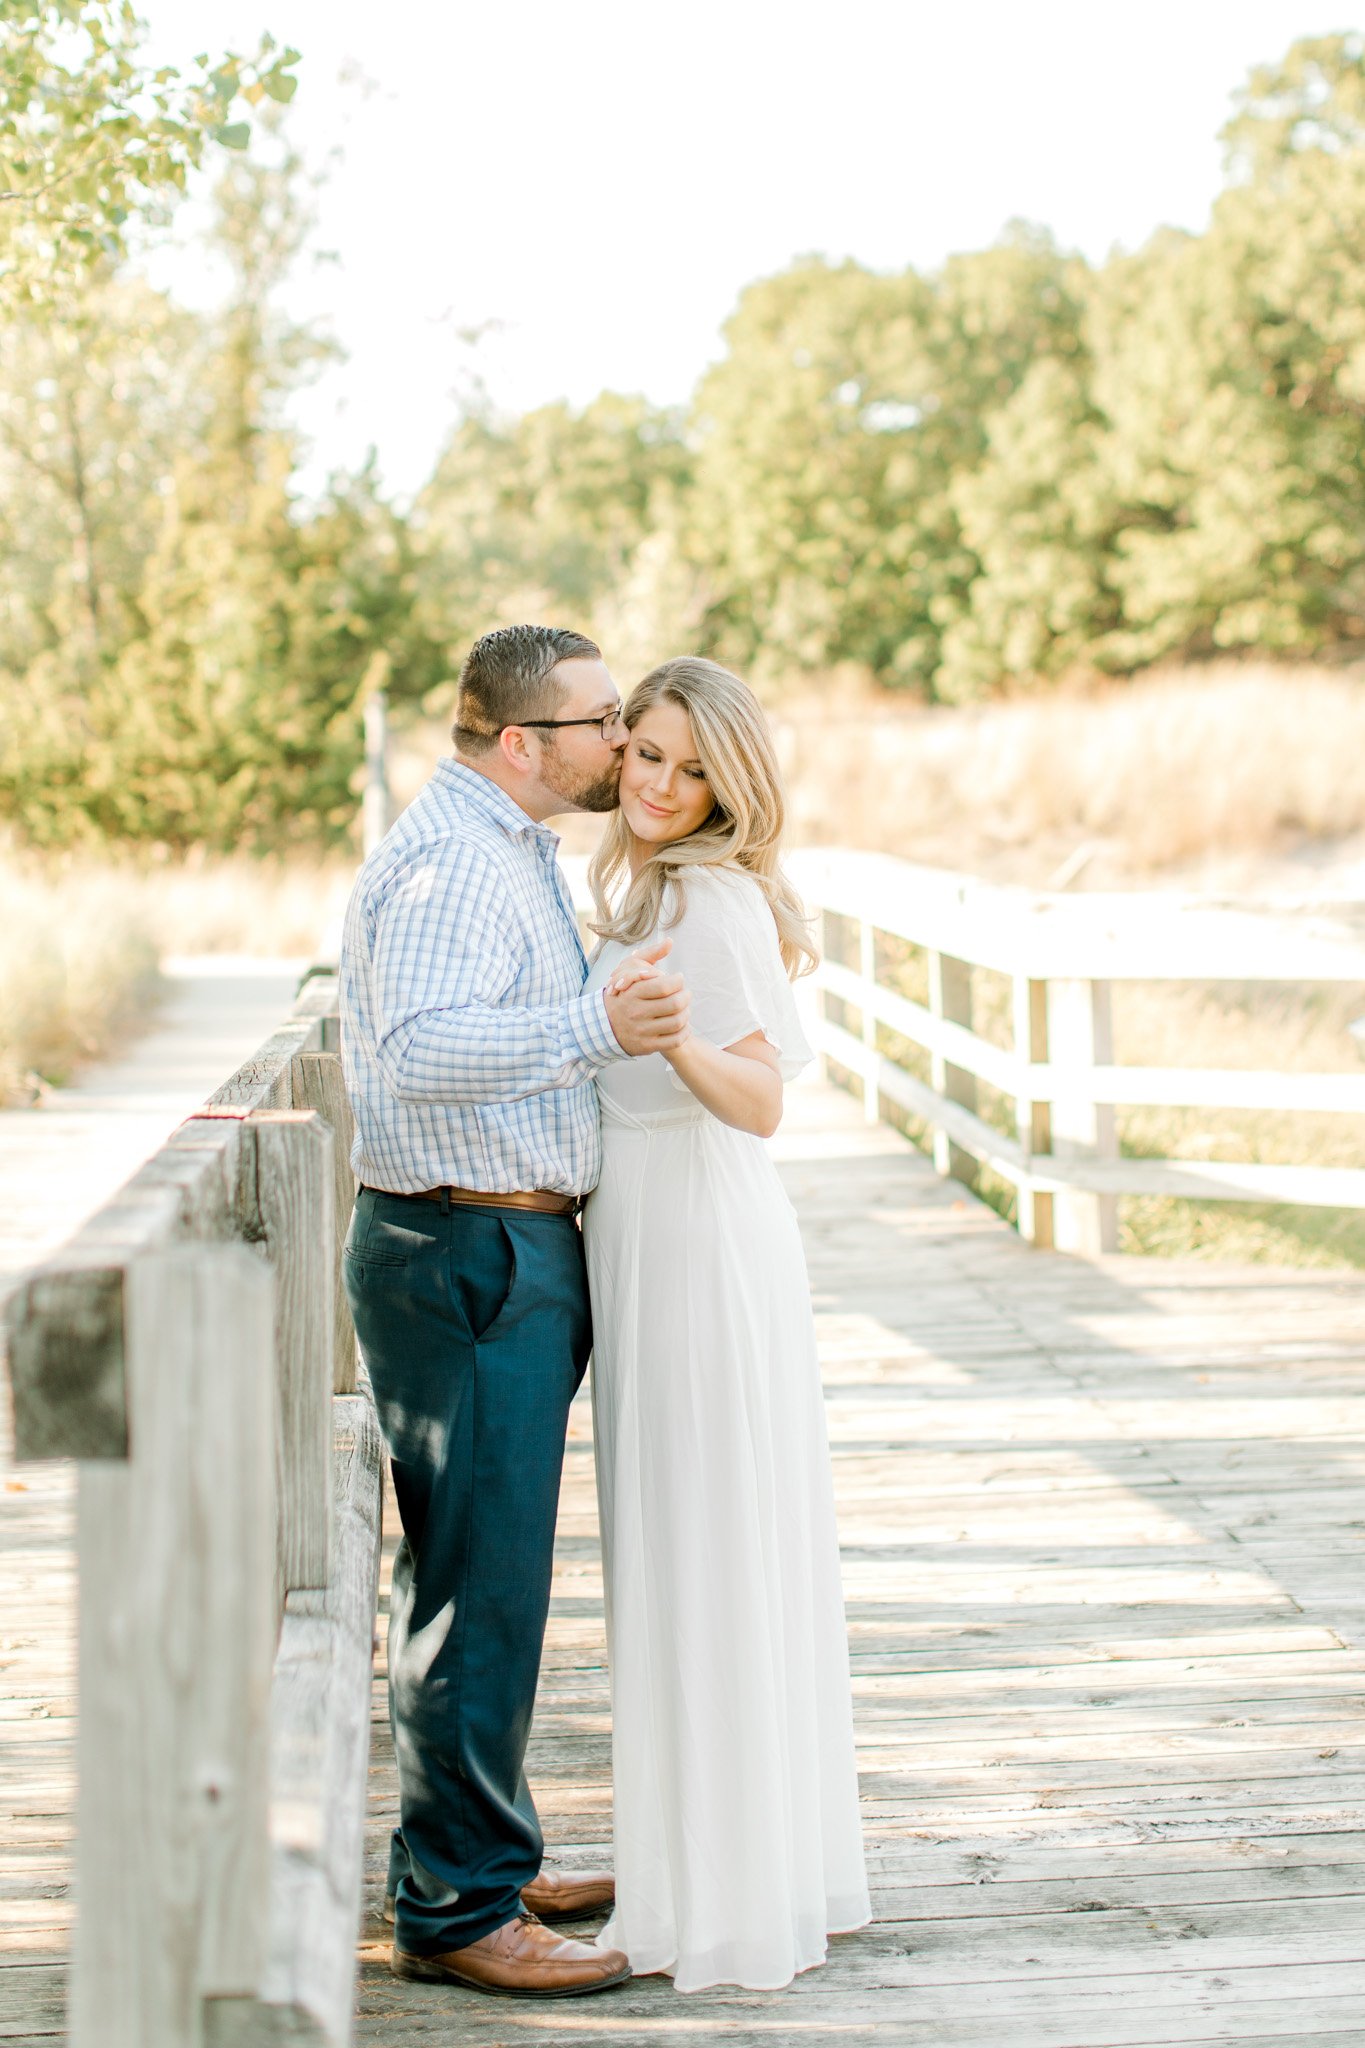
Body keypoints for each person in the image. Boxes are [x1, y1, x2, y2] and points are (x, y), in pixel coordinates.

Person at [339, 624, 692, 2000]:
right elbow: (419, 1059)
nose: (622, 738)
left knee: (484, 1578)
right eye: (602, 721)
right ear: (517, 745)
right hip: (465, 1251)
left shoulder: (503, 851)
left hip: (493, 1249)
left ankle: (473, 1848)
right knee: (477, 1588)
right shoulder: (446, 869)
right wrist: (594, 1029)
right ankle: (457, 1909)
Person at [582, 656, 871, 1992]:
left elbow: (757, 1103)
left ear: (731, 787)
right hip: (647, 1224)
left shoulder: (707, 899)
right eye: (645, 753)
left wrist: (664, 1041)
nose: (660, 785)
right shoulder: (650, 883)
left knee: (700, 1546)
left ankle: (723, 1898)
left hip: (696, 1233)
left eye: (693, 770)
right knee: (694, 1546)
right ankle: (720, 1865)